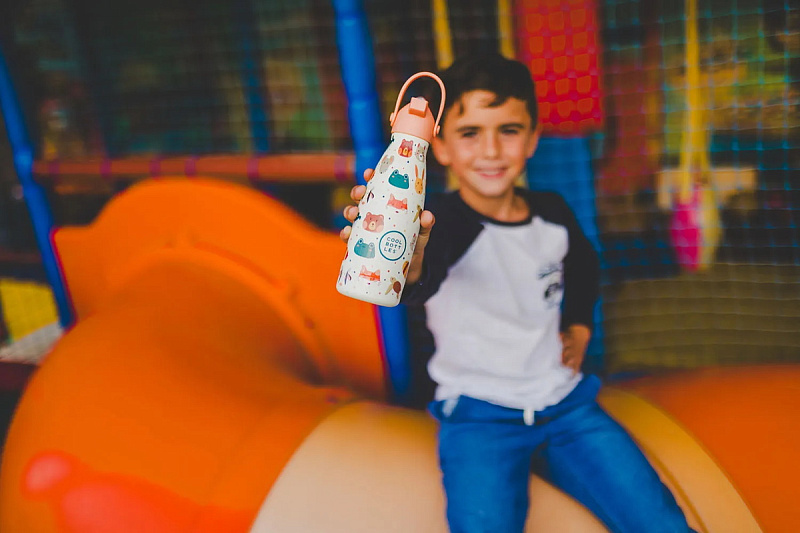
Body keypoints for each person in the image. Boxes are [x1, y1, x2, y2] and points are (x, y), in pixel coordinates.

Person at [340, 53, 695, 533]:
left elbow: (584, 267)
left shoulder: (553, 211)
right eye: (470, 133)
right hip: (479, 417)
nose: (491, 150)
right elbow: (421, 277)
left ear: (531, 139)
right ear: (439, 146)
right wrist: (407, 254)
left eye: (508, 131)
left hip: (566, 406)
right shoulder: (438, 223)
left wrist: (579, 324)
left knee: (662, 522)